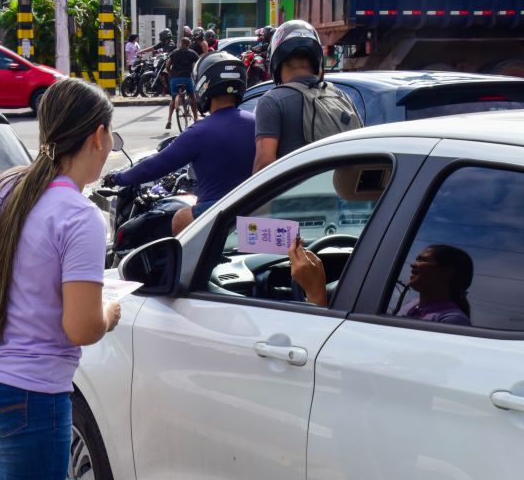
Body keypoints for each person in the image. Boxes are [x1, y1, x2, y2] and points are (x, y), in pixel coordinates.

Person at [0, 78, 122, 480]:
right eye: (111, 134)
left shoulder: (1, 186)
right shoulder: (80, 216)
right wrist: (109, 312)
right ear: (98, 137)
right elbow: (81, 327)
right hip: (25, 397)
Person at [103, 51, 255, 235]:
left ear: (204, 85)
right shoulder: (258, 124)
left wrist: (118, 178)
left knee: (180, 218)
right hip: (254, 214)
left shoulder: (200, 131)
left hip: (217, 216)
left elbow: (156, 165)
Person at [252, 20, 360, 174]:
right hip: (339, 196)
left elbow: (263, 165)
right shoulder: (340, 96)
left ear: (276, 61)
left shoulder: (272, 101)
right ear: (317, 61)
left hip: (296, 197)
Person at [290, 241, 473, 326]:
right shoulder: (412, 305)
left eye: (423, 261)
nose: (413, 264)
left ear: (446, 273)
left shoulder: (452, 320)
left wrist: (315, 291)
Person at [164, 37, 199, 128]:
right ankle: (196, 118)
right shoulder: (192, 53)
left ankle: (169, 119)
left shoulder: (174, 52)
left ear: (180, 43)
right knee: (192, 97)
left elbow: (168, 66)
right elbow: (198, 64)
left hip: (175, 79)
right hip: (186, 78)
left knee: (173, 99)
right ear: (189, 44)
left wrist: (171, 73)